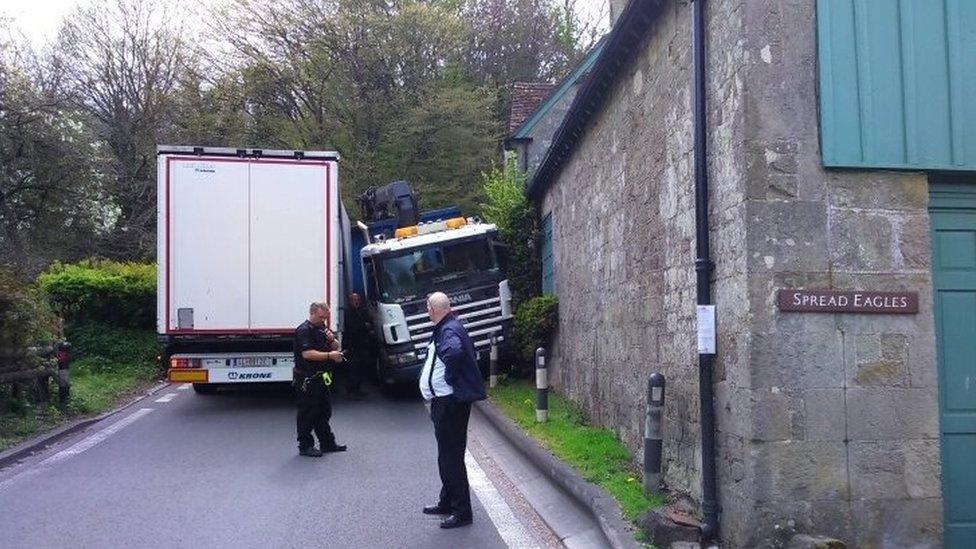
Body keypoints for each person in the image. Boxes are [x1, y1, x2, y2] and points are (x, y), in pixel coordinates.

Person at [419, 292, 486, 529]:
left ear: (432, 308)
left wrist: (447, 377)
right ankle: (447, 501)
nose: (427, 311)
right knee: (447, 455)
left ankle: (461, 512)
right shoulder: (448, 326)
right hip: (446, 402)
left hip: (450, 403)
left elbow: (454, 353)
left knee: (451, 457)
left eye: (427, 307)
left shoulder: (448, 330)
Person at [294, 301, 348, 457]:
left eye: (326, 317)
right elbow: (307, 354)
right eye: (321, 317)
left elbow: (336, 346)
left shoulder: (322, 328)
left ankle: (327, 443)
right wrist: (330, 356)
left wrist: (331, 340)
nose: (323, 320)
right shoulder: (304, 330)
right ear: (312, 313)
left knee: (324, 412)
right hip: (307, 378)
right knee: (307, 413)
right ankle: (305, 446)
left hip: (322, 377)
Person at [341, 292, 373, 399]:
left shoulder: (362, 311)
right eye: (354, 300)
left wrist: (364, 326)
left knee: (361, 368)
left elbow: (369, 323)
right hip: (351, 345)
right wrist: (364, 326)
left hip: (362, 344)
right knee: (351, 369)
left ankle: (358, 389)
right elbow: (352, 328)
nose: (356, 302)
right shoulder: (347, 313)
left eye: (358, 300)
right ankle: (351, 391)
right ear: (349, 301)